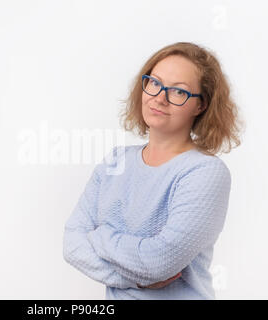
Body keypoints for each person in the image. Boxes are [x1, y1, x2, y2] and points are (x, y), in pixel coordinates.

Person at [62, 42, 244, 299]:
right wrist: (135, 282)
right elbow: (72, 243)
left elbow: (158, 262)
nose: (159, 97)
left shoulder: (205, 172)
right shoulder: (116, 161)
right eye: (154, 83)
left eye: (178, 92)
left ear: (201, 105)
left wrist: (99, 236)